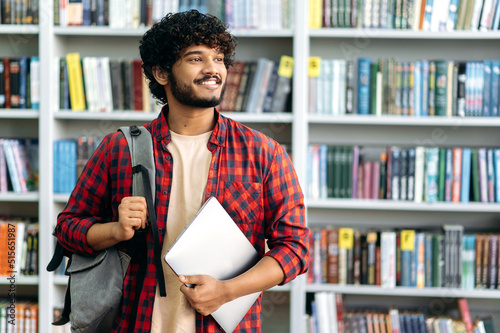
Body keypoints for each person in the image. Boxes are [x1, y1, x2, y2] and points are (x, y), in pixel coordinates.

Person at [55, 9, 310, 332]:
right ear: (162, 73)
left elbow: (295, 248)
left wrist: (227, 291)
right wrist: (115, 231)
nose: (212, 69)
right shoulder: (120, 148)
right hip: (136, 323)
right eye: (196, 59)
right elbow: (68, 229)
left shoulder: (263, 153)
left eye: (219, 59)